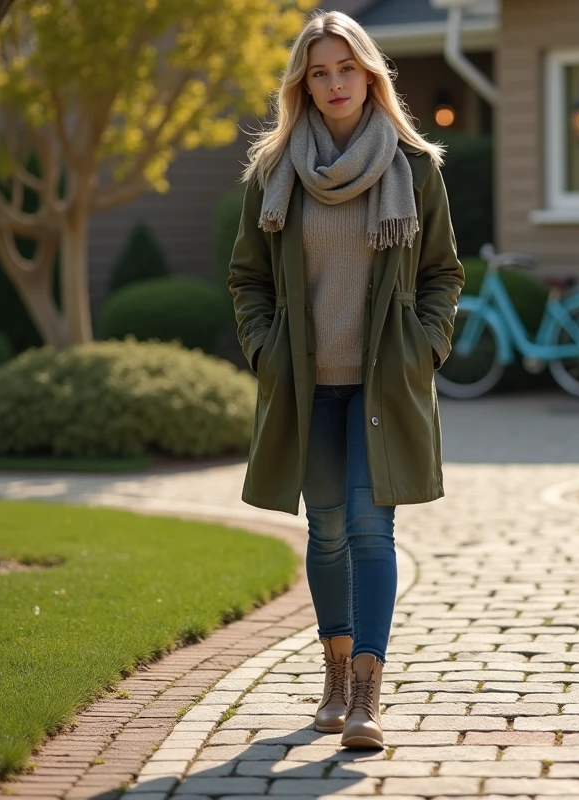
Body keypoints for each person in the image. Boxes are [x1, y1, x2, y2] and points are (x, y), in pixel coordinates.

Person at [226, 9, 464, 750]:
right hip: (305, 382)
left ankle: (366, 695)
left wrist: (424, 347)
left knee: (369, 527)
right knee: (325, 529)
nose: (334, 84)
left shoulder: (414, 166)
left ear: (370, 75)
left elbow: (442, 274)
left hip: (383, 383)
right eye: (319, 72)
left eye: (346, 69)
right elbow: (248, 279)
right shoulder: (274, 172)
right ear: (304, 83)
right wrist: (265, 350)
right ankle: (332, 672)